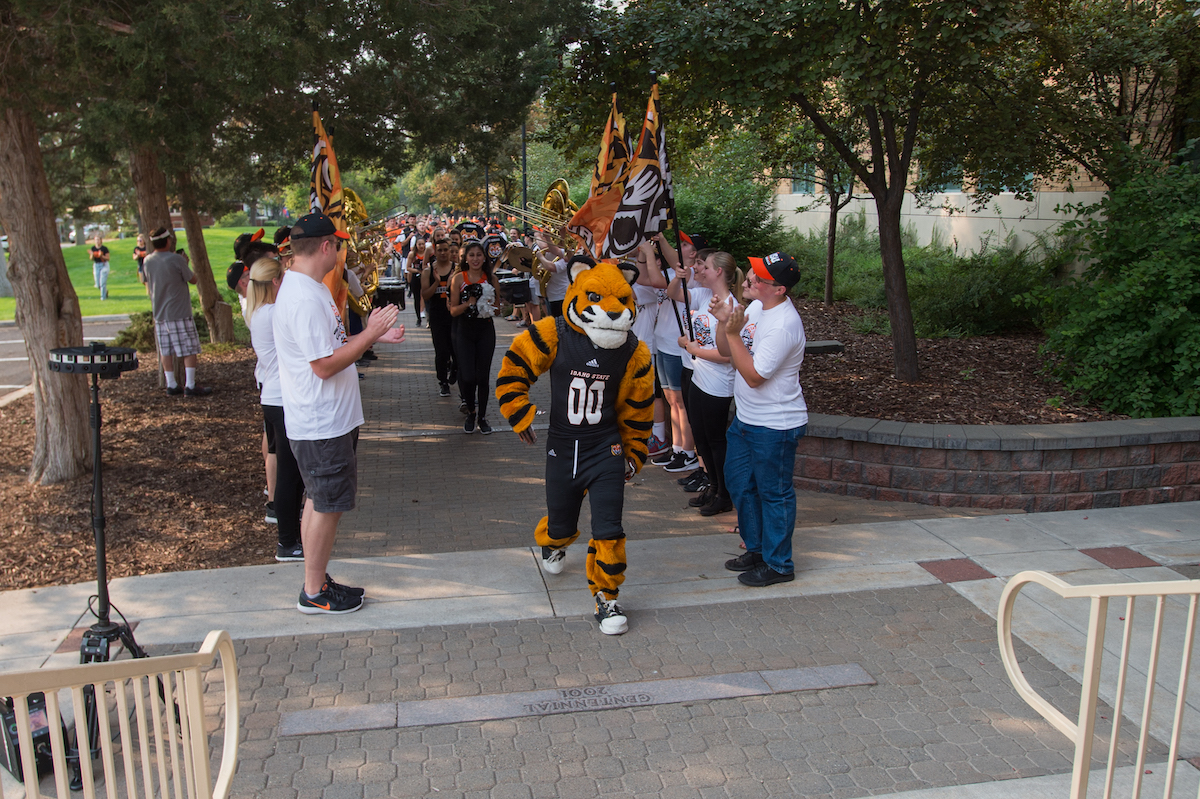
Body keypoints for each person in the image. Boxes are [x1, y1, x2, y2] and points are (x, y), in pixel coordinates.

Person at [496, 257, 654, 635]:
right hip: (563, 448)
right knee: (561, 523)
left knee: (609, 527)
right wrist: (518, 411)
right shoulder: (554, 332)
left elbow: (639, 407)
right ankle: (552, 540)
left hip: (606, 448)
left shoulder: (635, 351)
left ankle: (607, 597)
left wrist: (634, 453)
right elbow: (514, 368)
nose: (613, 311)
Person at [273, 212, 404, 614]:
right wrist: (370, 334)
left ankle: (316, 578)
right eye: (340, 244)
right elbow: (324, 365)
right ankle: (314, 592)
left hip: (328, 421)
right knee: (327, 503)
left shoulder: (310, 289)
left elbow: (331, 346)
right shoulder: (302, 297)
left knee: (319, 500)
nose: (342, 252)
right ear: (326, 246)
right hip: (321, 424)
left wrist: (375, 336)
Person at [711, 251, 808, 587]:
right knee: (739, 483)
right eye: (752, 271)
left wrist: (734, 333)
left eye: (758, 276)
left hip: (775, 425)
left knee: (774, 493)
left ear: (779, 289)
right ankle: (757, 549)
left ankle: (780, 565)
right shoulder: (755, 307)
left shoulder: (784, 324)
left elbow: (753, 376)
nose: (749, 278)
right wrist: (725, 322)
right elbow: (726, 352)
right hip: (746, 419)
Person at [668, 251, 741, 516]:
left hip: (718, 384)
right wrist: (689, 344)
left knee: (715, 440)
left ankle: (724, 493)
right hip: (699, 377)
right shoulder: (703, 295)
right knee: (700, 436)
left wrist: (692, 348)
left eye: (706, 266)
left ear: (719, 272)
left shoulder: (730, 306)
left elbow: (726, 355)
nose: (701, 270)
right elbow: (673, 293)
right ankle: (712, 485)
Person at [245, 256, 305, 561]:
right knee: (289, 474)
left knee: (290, 472)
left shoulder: (260, 311)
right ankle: (287, 541)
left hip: (275, 397)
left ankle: (291, 537)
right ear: (274, 283)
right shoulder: (271, 313)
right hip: (281, 400)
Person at [142, 227, 212, 397]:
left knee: (166, 350)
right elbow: (193, 279)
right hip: (179, 311)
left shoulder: (147, 261)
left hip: (159, 313)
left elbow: (146, 283)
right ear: (168, 241)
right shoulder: (176, 259)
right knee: (189, 349)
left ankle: (171, 384)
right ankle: (190, 385)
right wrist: (185, 263)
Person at [449, 240, 500, 434]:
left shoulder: (491, 278)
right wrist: (470, 303)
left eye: (479, 255)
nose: (476, 259)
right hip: (464, 330)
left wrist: (490, 306)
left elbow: (498, 308)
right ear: (466, 258)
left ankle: (482, 417)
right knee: (468, 376)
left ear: (484, 257)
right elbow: (453, 311)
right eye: (472, 255)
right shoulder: (458, 279)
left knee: (482, 377)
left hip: (485, 329)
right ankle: (471, 411)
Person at [420, 237, 457, 398]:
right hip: (436, 317)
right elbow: (425, 295)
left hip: (454, 316)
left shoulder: (456, 270)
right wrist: (436, 282)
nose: (443, 253)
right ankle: (443, 382)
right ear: (435, 252)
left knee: (456, 350)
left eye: (445, 250)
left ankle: (455, 372)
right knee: (441, 351)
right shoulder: (428, 272)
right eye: (439, 250)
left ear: (450, 251)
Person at [90, 234, 111, 300]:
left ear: (101, 240)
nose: (97, 241)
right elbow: (91, 259)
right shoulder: (93, 248)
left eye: (98, 240)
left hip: (104, 265)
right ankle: (105, 292)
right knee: (97, 284)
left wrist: (101, 256)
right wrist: (93, 255)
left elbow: (108, 258)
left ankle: (103, 297)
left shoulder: (104, 248)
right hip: (96, 265)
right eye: (96, 240)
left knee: (102, 282)